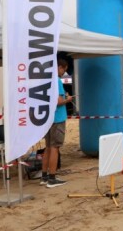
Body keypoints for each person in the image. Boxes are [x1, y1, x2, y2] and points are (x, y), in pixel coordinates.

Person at [40, 59, 73, 188]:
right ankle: (52, 178)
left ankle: (44, 176)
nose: (63, 73)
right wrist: (68, 99)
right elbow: (58, 101)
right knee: (55, 148)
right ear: (60, 67)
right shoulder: (56, 80)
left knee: (48, 147)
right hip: (57, 118)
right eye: (63, 70)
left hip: (48, 118)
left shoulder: (46, 79)